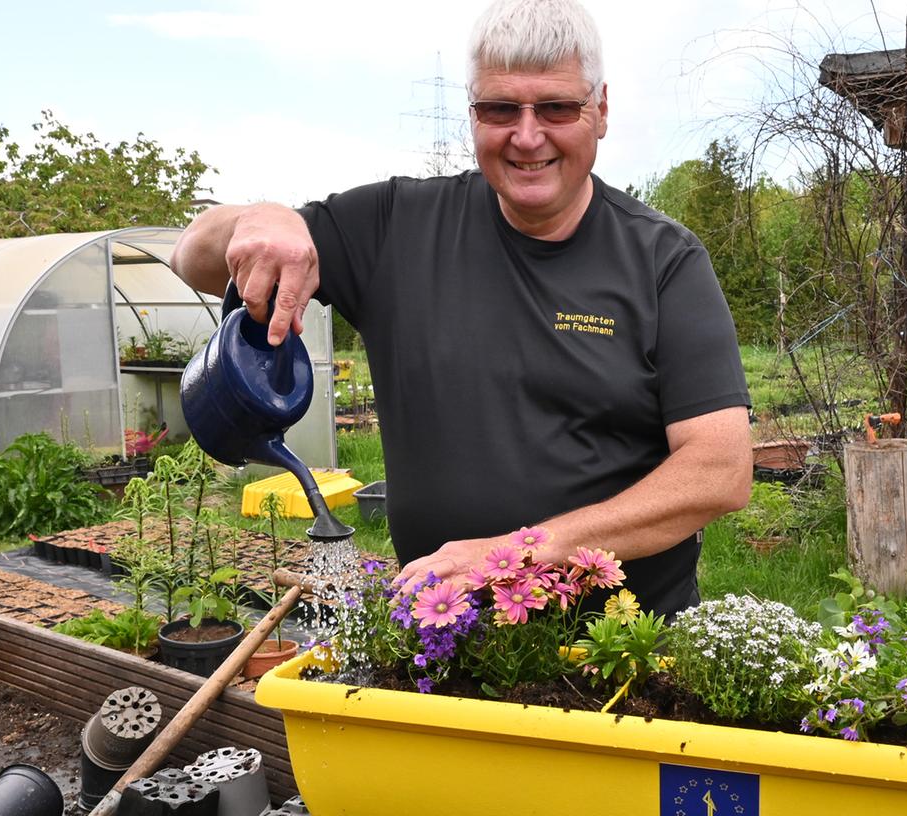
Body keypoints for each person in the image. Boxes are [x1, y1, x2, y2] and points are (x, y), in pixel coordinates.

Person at [170, 0, 751, 617]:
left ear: (600, 111)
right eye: (500, 109)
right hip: (443, 635)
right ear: (472, 113)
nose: (527, 137)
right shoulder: (396, 229)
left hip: (622, 655)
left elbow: (718, 469)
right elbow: (191, 256)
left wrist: (516, 553)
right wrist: (264, 218)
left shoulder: (663, 260)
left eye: (556, 107)